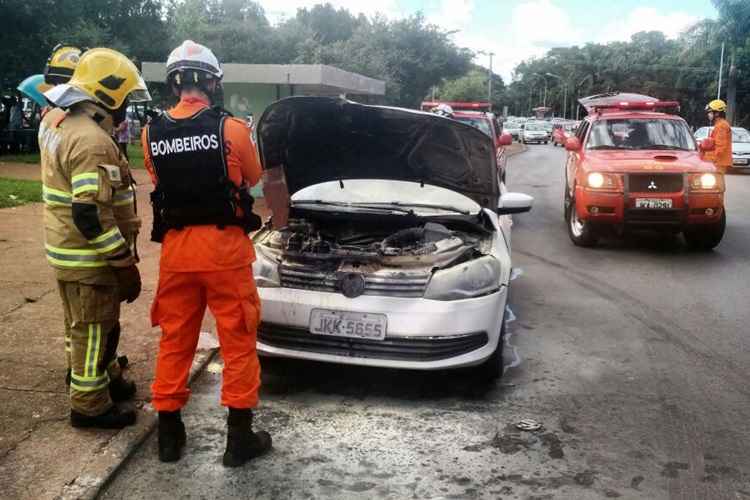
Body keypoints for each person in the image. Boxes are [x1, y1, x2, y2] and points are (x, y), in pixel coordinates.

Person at [141, 40, 270, 466]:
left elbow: (160, 183)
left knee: (176, 340)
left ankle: (168, 436)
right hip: (224, 250)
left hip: (177, 251)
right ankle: (238, 439)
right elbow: (252, 177)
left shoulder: (149, 132)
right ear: (213, 82)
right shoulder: (230, 129)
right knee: (237, 339)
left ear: (174, 81)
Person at [40, 48, 150, 428]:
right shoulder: (93, 141)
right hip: (89, 258)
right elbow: (90, 215)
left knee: (80, 325)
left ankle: (95, 381)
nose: (127, 111)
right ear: (109, 95)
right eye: (126, 100)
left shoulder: (58, 123)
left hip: (63, 250)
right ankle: (90, 405)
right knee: (93, 329)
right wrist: (123, 267)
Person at [703, 99, 732, 174]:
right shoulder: (719, 124)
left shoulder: (721, 126)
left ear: (717, 113)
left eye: (710, 112)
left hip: (718, 163)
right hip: (718, 162)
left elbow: (720, 148)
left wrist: (707, 158)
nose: (708, 114)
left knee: (716, 185)